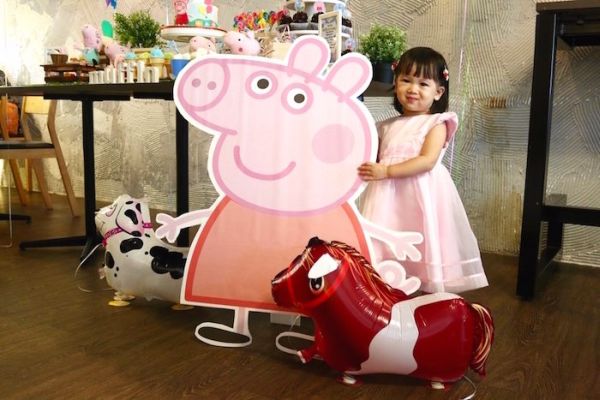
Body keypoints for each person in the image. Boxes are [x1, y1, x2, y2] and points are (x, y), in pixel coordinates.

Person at [358, 47, 488, 293]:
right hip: (386, 197)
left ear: (438, 92)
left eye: (423, 84)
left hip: (420, 194)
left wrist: (387, 171)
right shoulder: (385, 126)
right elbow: (371, 156)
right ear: (396, 83)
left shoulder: (436, 123)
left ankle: (422, 291)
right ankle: (387, 288)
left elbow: (427, 160)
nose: (413, 89)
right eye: (406, 80)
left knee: (422, 236)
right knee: (384, 238)